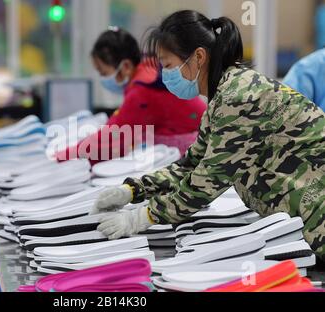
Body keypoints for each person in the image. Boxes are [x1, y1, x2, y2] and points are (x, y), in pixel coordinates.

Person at [93, 10, 325, 261]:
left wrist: (143, 216)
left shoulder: (238, 97)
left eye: (168, 65)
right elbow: (192, 164)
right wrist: (133, 189)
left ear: (199, 57)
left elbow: (206, 181)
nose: (165, 75)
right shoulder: (224, 95)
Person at [56, 27, 207, 165]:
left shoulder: (142, 91)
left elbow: (112, 139)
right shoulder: (148, 68)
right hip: (199, 135)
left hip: (195, 149)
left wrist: (64, 156)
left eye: (103, 72)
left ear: (126, 66)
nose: (103, 78)